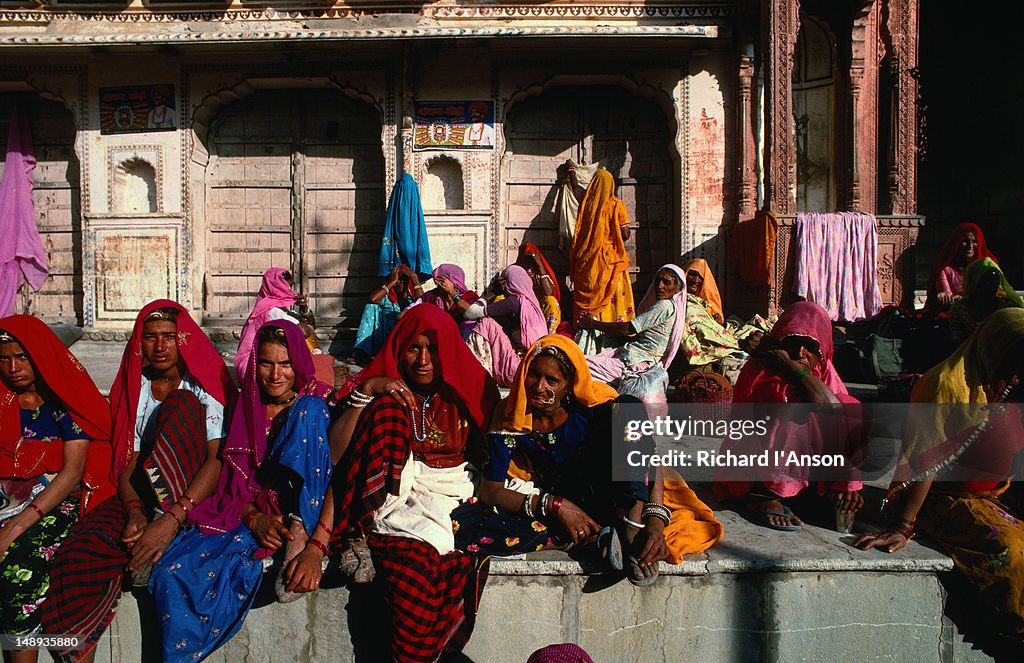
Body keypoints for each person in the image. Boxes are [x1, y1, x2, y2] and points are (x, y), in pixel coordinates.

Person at [39, 301, 235, 661]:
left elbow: (215, 461)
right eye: (150, 338)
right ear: (138, 343)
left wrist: (171, 518)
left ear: (185, 340)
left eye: (169, 337)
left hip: (193, 496)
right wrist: (133, 511)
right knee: (79, 553)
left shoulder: (202, 387)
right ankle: (77, 649)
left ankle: (159, 539)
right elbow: (127, 461)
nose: (160, 347)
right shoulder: (136, 387)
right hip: (139, 493)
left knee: (179, 405)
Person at [149, 320, 333, 662]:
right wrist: (255, 518)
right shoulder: (245, 407)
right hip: (252, 514)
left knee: (310, 413)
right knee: (171, 572)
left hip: (302, 511)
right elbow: (234, 485)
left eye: (285, 363)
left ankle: (298, 533)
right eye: (266, 363)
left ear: (299, 364)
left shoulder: (318, 400)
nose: (276, 374)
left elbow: (334, 473)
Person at [330, 305, 500, 663]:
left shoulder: (470, 390)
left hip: (453, 491)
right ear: (399, 348)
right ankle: (357, 534)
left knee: (447, 567)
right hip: (394, 500)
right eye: (413, 348)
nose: (423, 359)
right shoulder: (383, 391)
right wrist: (370, 390)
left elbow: (497, 453)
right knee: (412, 562)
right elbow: (332, 456)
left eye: (433, 348)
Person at [853, 308, 1024, 657]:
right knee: (1013, 551)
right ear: (997, 347)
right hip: (940, 498)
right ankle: (1011, 634)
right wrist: (903, 525)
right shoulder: (946, 385)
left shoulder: (1011, 381)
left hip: (994, 492)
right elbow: (925, 459)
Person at [453, 335, 682, 585]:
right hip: (559, 507)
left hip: (616, 496)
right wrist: (556, 506)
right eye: (533, 374)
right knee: (463, 524)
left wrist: (655, 523)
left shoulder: (595, 407)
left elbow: (648, 459)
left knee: (629, 407)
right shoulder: (513, 416)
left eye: (552, 380)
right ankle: (594, 538)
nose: (539, 387)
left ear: (569, 384)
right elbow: (492, 490)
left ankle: (630, 528)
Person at [0, 316, 115, 663]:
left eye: (22, 357)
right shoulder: (3, 401)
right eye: (3, 359)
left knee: (16, 563)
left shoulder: (64, 402)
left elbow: (71, 472)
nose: (13, 368)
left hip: (53, 500)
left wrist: (16, 527)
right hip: (6, 497)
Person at [714, 302, 864, 530]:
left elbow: (838, 408)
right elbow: (823, 405)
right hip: (754, 466)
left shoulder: (823, 369)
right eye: (793, 344)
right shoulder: (763, 369)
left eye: (810, 347)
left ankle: (825, 488)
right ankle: (763, 496)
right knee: (794, 415)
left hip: (803, 465)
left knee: (851, 409)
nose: (799, 353)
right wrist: (785, 363)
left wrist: (849, 480)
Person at [579, 265, 686, 408]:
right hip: (636, 356)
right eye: (658, 281)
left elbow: (627, 329)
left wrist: (592, 323)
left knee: (580, 365)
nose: (660, 286)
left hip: (635, 361)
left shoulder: (664, 306)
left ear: (678, 289)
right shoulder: (673, 308)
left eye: (666, 282)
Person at [570, 169, 635, 354]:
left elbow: (576, 189)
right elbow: (625, 233)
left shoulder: (586, 203)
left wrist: (572, 172)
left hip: (587, 265)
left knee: (588, 305)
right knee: (609, 303)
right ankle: (610, 347)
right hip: (609, 265)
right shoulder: (616, 205)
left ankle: (587, 348)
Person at [464, 264, 548, 387]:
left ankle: (478, 374)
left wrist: (493, 292)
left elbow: (470, 313)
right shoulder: (532, 305)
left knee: (486, 323)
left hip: (519, 370)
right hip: (532, 370)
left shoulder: (514, 302)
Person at [236, 267, 317, 383]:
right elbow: (306, 332)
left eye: (290, 286)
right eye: (286, 286)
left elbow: (311, 327)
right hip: (256, 368)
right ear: (275, 287)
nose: (289, 290)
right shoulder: (271, 311)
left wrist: (305, 309)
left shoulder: (282, 310)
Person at [352, 264, 423, 361]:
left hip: (401, 336)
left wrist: (414, 278)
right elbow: (373, 299)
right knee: (370, 307)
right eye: (398, 279)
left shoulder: (412, 299)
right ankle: (361, 351)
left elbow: (424, 306)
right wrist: (392, 281)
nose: (401, 282)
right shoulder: (386, 297)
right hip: (384, 334)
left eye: (404, 280)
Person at [948, 257, 1024, 344]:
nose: (992, 284)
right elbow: (956, 341)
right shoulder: (959, 310)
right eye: (986, 280)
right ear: (974, 281)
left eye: (995, 279)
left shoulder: (1008, 307)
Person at [925, 222, 996, 311]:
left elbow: (987, 296)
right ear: (957, 243)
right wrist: (945, 297)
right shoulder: (946, 270)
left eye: (974, 242)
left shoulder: (985, 268)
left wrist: (964, 300)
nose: (970, 246)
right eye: (965, 241)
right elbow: (948, 294)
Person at [517, 242, 562, 334]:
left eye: (531, 261)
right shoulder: (517, 271)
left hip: (540, 311)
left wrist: (540, 266)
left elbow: (549, 292)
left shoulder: (539, 275)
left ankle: (550, 337)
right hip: (522, 309)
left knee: (551, 301)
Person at [418, 263, 478, 328]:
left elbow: (471, 313)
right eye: (436, 280)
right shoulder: (432, 296)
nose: (439, 284)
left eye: (442, 281)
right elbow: (414, 308)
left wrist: (452, 292)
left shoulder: (470, 297)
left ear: (454, 280)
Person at [682, 258, 725, 324]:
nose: (696, 280)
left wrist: (718, 319)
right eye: (693, 274)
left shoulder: (708, 302)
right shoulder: (675, 297)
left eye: (700, 277)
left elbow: (718, 318)